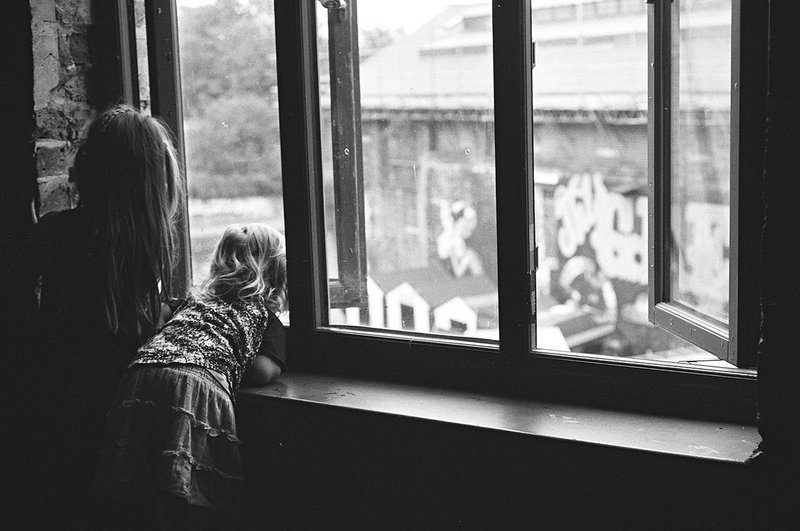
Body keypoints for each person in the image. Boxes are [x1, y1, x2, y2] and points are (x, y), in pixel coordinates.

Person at [1, 104, 182, 526]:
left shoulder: (55, 230)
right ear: (154, 179)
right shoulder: (148, 245)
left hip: (56, 397)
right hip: (121, 401)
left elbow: (10, 295)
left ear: (89, 169)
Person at [96, 223, 288, 529]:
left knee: (142, 486)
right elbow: (263, 371)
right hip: (194, 385)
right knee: (189, 491)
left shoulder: (193, 301)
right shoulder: (263, 315)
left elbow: (157, 316)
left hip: (141, 372)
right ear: (276, 276)